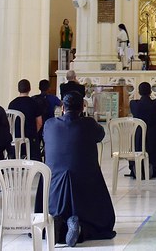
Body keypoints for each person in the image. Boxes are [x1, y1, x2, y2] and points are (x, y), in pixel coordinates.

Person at [43, 93, 116, 247]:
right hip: (84, 179)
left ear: (62, 108)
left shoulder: (49, 124)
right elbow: (100, 135)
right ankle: (79, 225)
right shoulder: (88, 124)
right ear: (83, 108)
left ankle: (58, 221)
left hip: (54, 181)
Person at [128, 81, 156, 178]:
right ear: (150, 91)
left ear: (139, 92)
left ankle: (136, 169)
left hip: (138, 139)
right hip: (153, 139)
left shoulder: (134, 104)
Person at [8, 79, 43, 161]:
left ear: (18, 89)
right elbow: (40, 122)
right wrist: (34, 132)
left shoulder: (12, 104)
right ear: (29, 89)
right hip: (30, 136)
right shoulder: (34, 103)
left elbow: (10, 122)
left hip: (15, 136)